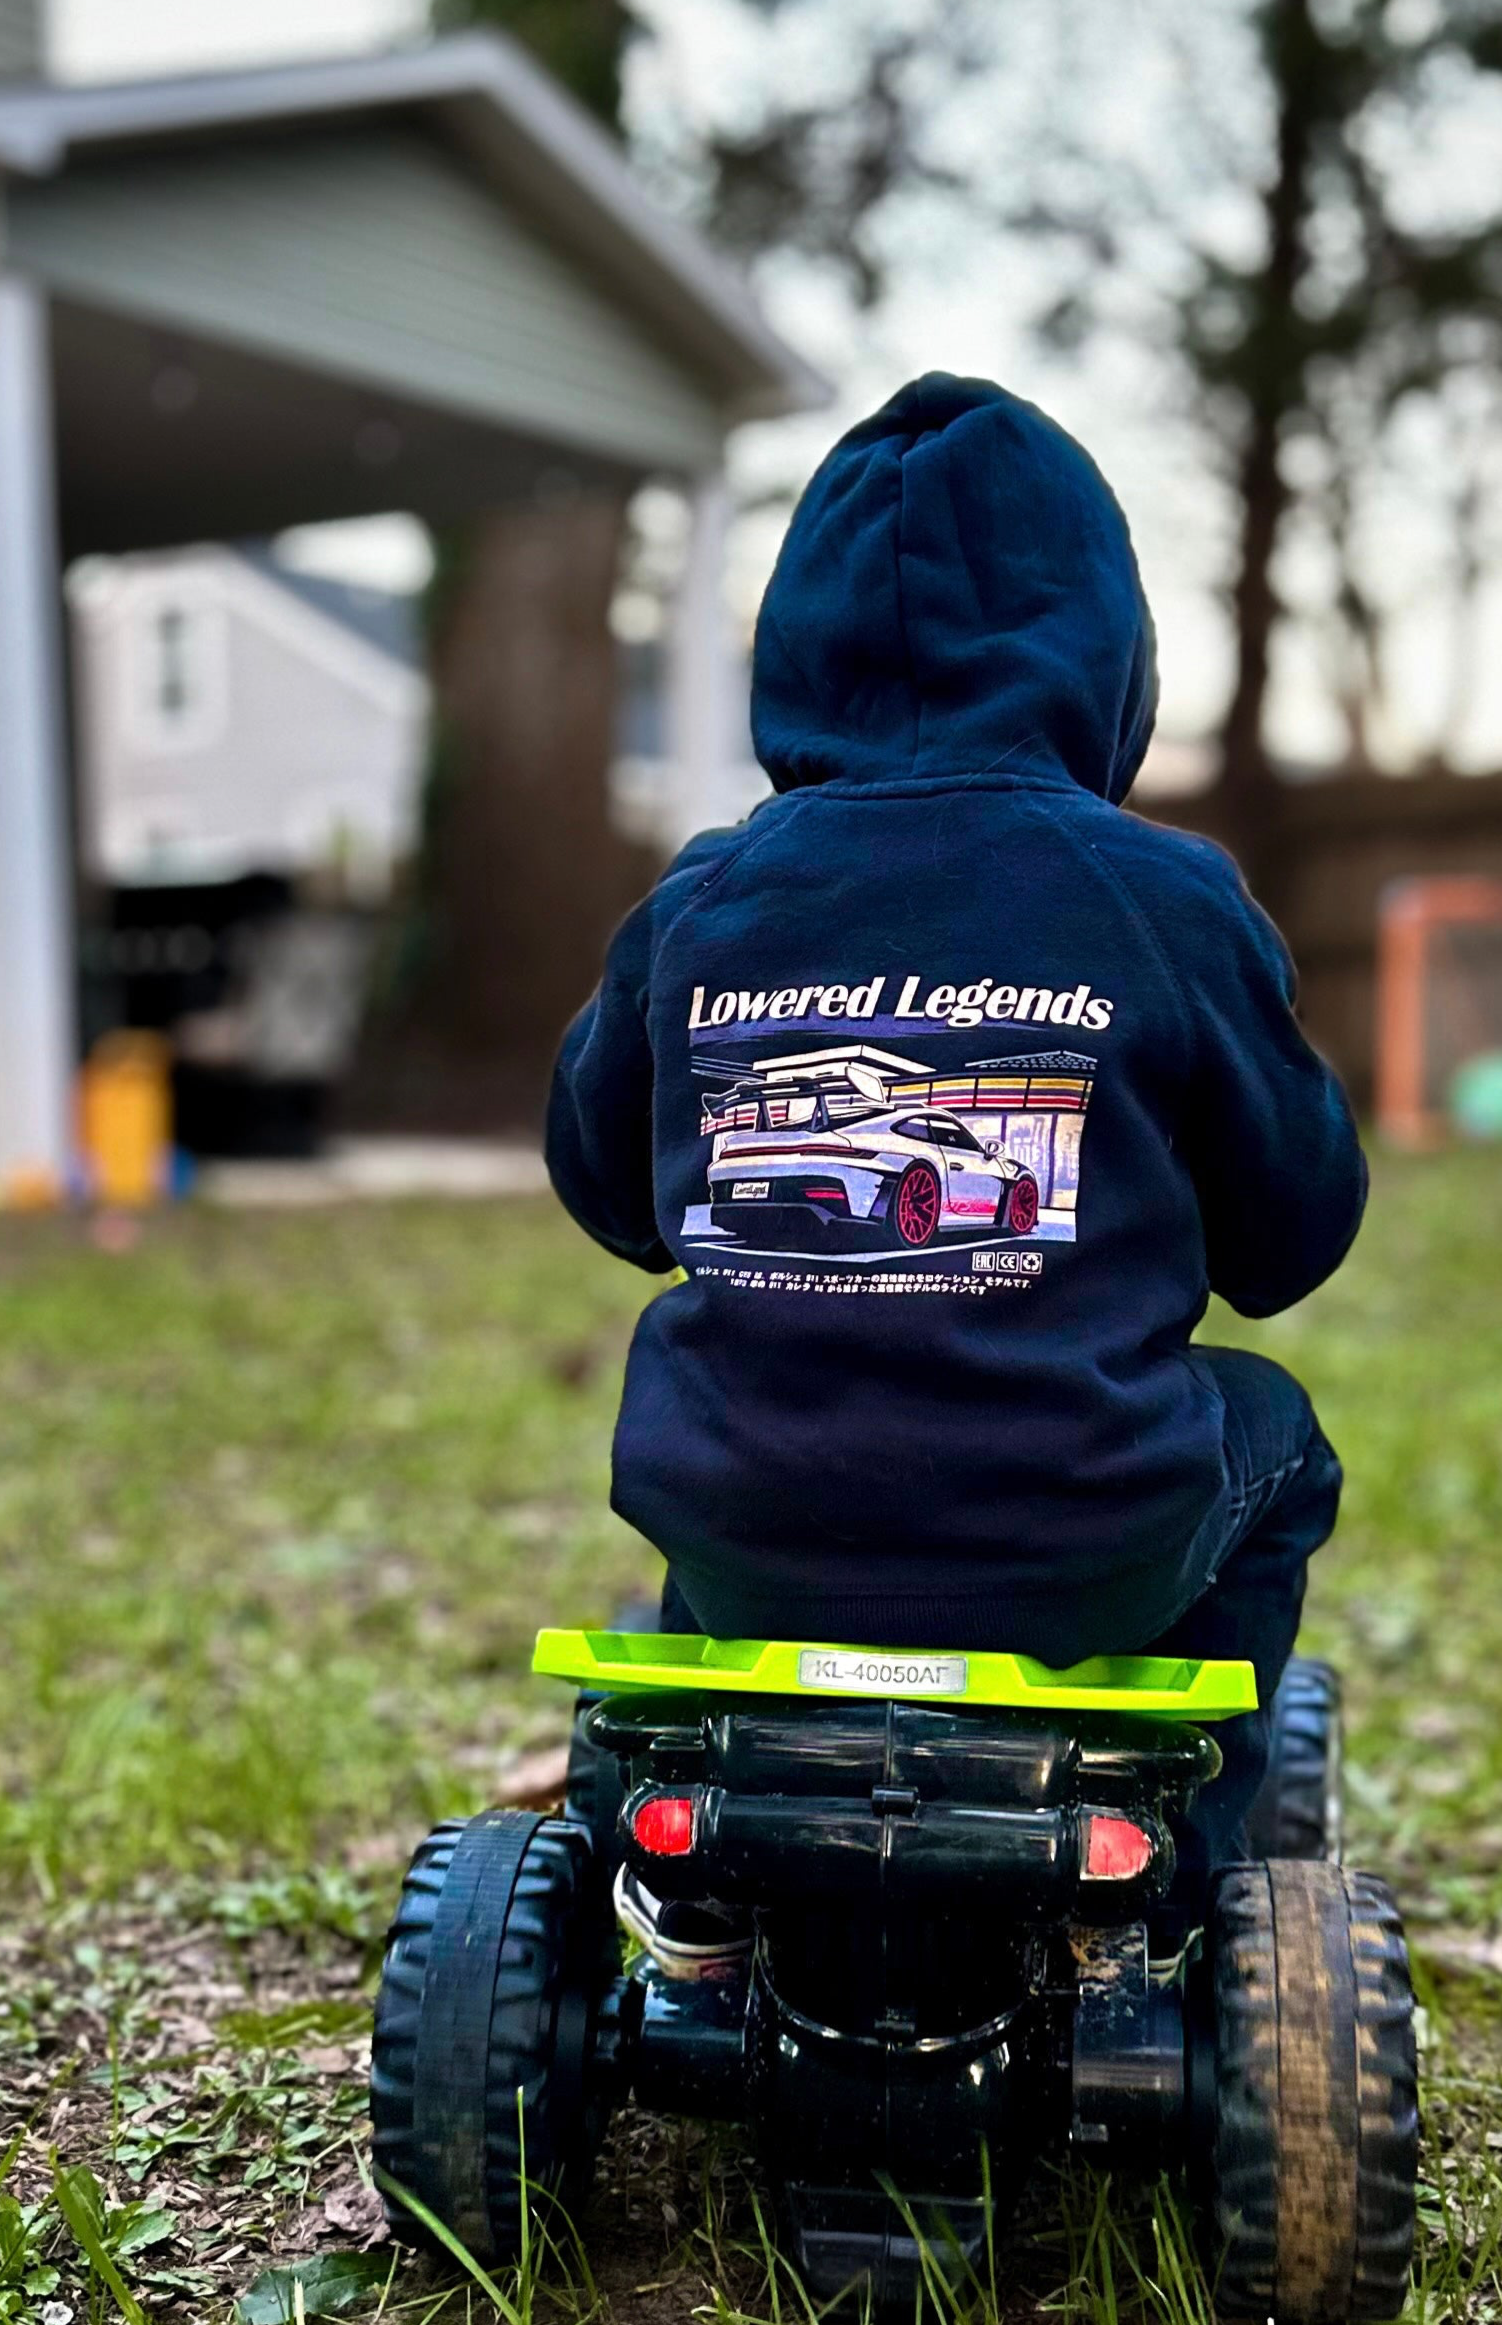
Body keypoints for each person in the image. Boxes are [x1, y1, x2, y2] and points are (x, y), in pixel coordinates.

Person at [544, 374, 1363, 1854]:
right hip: (1082, 1529)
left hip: (748, 1537)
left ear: (793, 648)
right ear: (1108, 657)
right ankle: (1195, 1862)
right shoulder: (1161, 898)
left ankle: (684, 1877)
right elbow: (1292, 1234)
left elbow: (604, 1185)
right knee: (1277, 1437)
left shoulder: (708, 897)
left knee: (738, 1437)